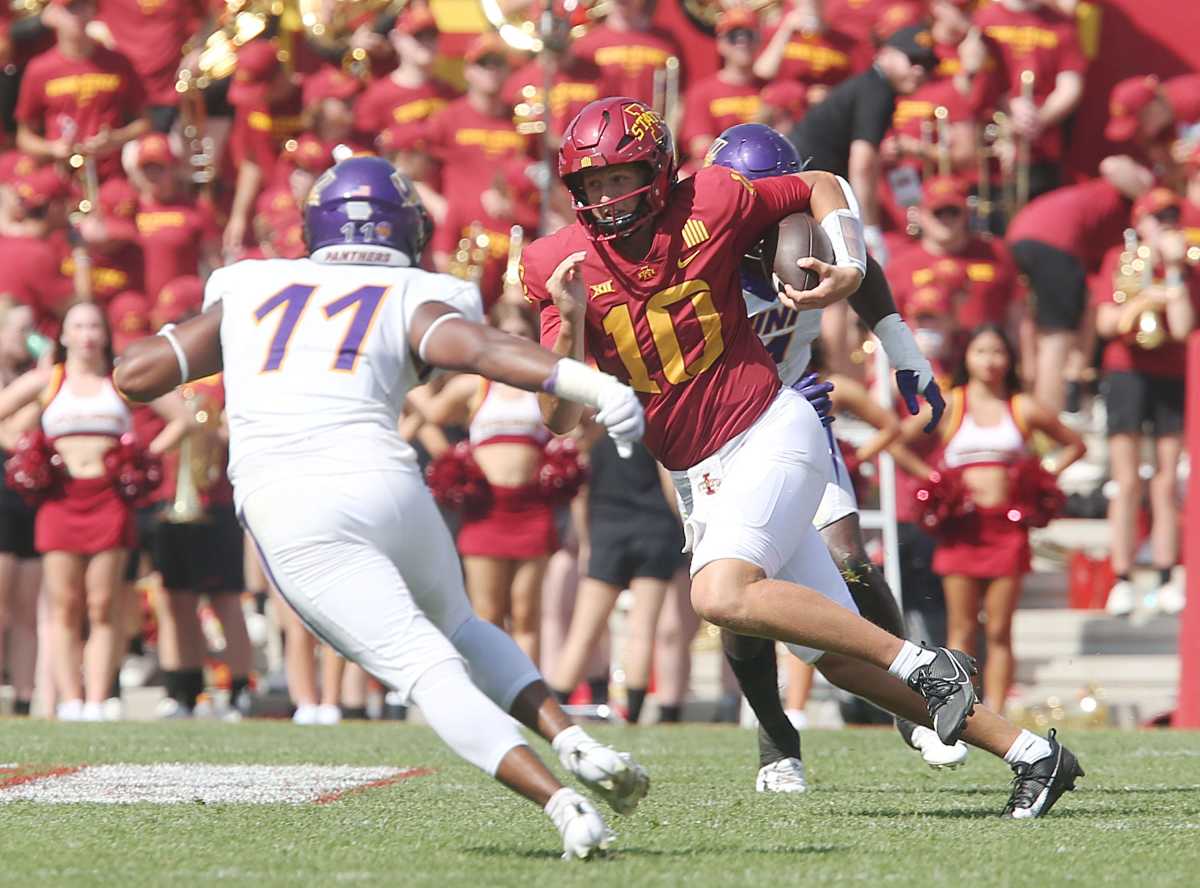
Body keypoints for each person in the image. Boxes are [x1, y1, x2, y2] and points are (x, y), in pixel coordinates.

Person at [522, 97, 1082, 817]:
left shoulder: (714, 198)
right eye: (591, 187)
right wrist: (567, 332)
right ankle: (1034, 754)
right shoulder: (555, 263)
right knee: (839, 654)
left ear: (657, 171)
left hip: (768, 426)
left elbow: (822, 187)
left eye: (619, 179)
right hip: (700, 467)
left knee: (720, 596)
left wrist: (847, 264)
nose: (606, 199)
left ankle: (923, 664)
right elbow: (561, 419)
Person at [115, 155, 651, 858]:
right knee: (458, 624)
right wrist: (592, 386)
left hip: (292, 500)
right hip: (387, 482)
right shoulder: (412, 290)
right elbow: (480, 348)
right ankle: (571, 738)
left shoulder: (252, 285)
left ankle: (560, 802)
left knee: (424, 666)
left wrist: (231, 341)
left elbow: (134, 375)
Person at [705, 123, 964, 784]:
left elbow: (864, 272)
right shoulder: (698, 257)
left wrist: (903, 351)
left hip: (794, 420)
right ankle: (775, 736)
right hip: (714, 437)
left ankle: (915, 706)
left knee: (850, 560)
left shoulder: (812, 238)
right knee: (741, 595)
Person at [0, 301, 188, 720]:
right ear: (63, 336)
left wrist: (141, 458)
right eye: (77, 326)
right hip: (60, 501)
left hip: (109, 501)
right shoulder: (49, 380)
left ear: (104, 334)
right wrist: (28, 454)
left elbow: (181, 419)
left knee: (104, 604)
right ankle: (70, 699)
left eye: (93, 326)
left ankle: (98, 699)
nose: (86, 335)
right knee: (65, 604)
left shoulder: (119, 380)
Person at [901, 325, 1086, 713]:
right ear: (967, 358)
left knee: (1000, 629)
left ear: (1010, 359)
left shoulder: (1022, 406)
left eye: (998, 351)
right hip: (961, 531)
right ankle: (961, 710)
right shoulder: (951, 404)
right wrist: (932, 479)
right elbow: (898, 440)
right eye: (981, 351)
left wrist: (1040, 475)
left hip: (1006, 529)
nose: (990, 360)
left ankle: (997, 713)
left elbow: (1074, 444)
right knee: (962, 628)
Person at [422, 304, 560, 663]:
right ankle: (494, 699)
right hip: (486, 511)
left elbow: (587, 422)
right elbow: (429, 412)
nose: (516, 341)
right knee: (487, 614)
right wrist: (450, 459)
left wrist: (569, 457)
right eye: (507, 334)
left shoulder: (544, 385)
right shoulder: (475, 385)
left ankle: (531, 699)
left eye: (523, 334)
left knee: (527, 614)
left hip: (532, 509)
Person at [1093, 188, 1197, 616]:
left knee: (1167, 479)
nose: (1168, 223)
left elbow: (1183, 327)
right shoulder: (1118, 259)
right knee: (1127, 480)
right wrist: (1144, 300)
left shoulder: (1188, 265)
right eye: (1159, 217)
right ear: (1141, 223)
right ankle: (1122, 574)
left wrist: (1172, 273)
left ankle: (1167, 570)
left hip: (1171, 374)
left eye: (1173, 215)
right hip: (1126, 372)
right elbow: (1104, 323)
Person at [547, 433, 685, 725]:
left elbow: (580, 492)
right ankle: (633, 715)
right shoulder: (653, 424)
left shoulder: (592, 432)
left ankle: (554, 706)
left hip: (607, 531)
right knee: (642, 629)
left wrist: (585, 542)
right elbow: (669, 483)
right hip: (655, 529)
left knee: (584, 630)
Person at [789, 24, 939, 263]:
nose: (920, 70)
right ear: (884, 54)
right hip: (803, 191)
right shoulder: (877, 90)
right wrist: (867, 228)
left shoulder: (872, 86)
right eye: (912, 59)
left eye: (928, 64)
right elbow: (862, 162)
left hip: (804, 187)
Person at [0, 302, 45, 716]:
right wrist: (40, 384)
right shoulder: (36, 383)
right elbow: (12, 433)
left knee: (28, 606)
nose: (27, 337)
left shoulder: (35, 380)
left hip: (29, 499)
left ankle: (25, 696)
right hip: (2, 497)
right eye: (19, 329)